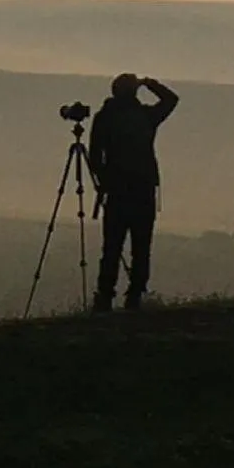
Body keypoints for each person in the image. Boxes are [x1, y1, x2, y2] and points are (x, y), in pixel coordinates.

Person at [89, 74, 179, 312]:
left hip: (117, 191)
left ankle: (104, 296)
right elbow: (171, 99)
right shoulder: (146, 117)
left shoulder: (104, 118)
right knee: (141, 247)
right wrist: (150, 83)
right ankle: (135, 296)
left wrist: (104, 182)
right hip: (143, 189)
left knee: (111, 247)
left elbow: (94, 157)